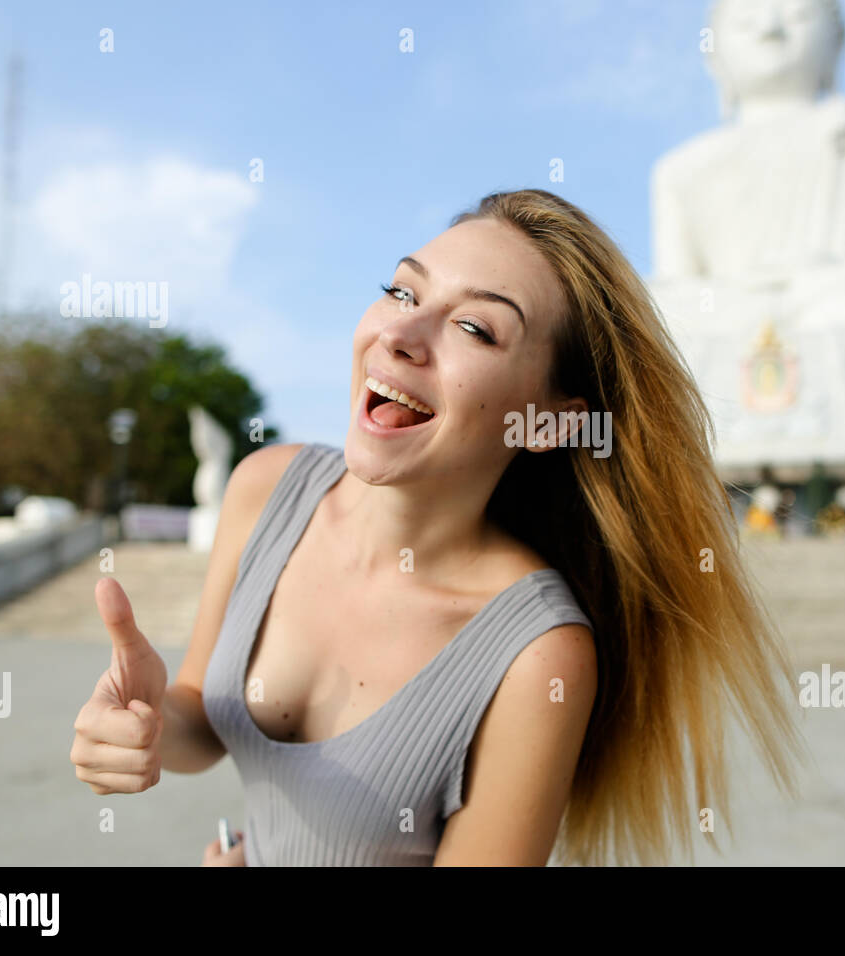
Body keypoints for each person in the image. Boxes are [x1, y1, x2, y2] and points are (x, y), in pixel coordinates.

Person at [69, 188, 806, 866]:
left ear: (549, 421)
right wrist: (147, 722)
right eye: (401, 290)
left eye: (475, 328)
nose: (401, 333)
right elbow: (202, 716)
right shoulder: (264, 489)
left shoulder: (538, 656)